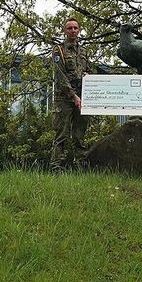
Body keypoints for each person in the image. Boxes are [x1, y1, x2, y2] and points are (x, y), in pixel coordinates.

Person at [50, 17, 91, 172]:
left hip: (82, 98)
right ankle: (56, 169)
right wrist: (73, 96)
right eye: (70, 28)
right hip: (64, 99)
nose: (73, 31)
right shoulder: (58, 50)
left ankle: (82, 169)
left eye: (75, 28)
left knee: (79, 136)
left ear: (78, 30)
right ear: (64, 31)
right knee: (61, 136)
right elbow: (60, 76)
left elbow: (89, 72)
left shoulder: (84, 51)